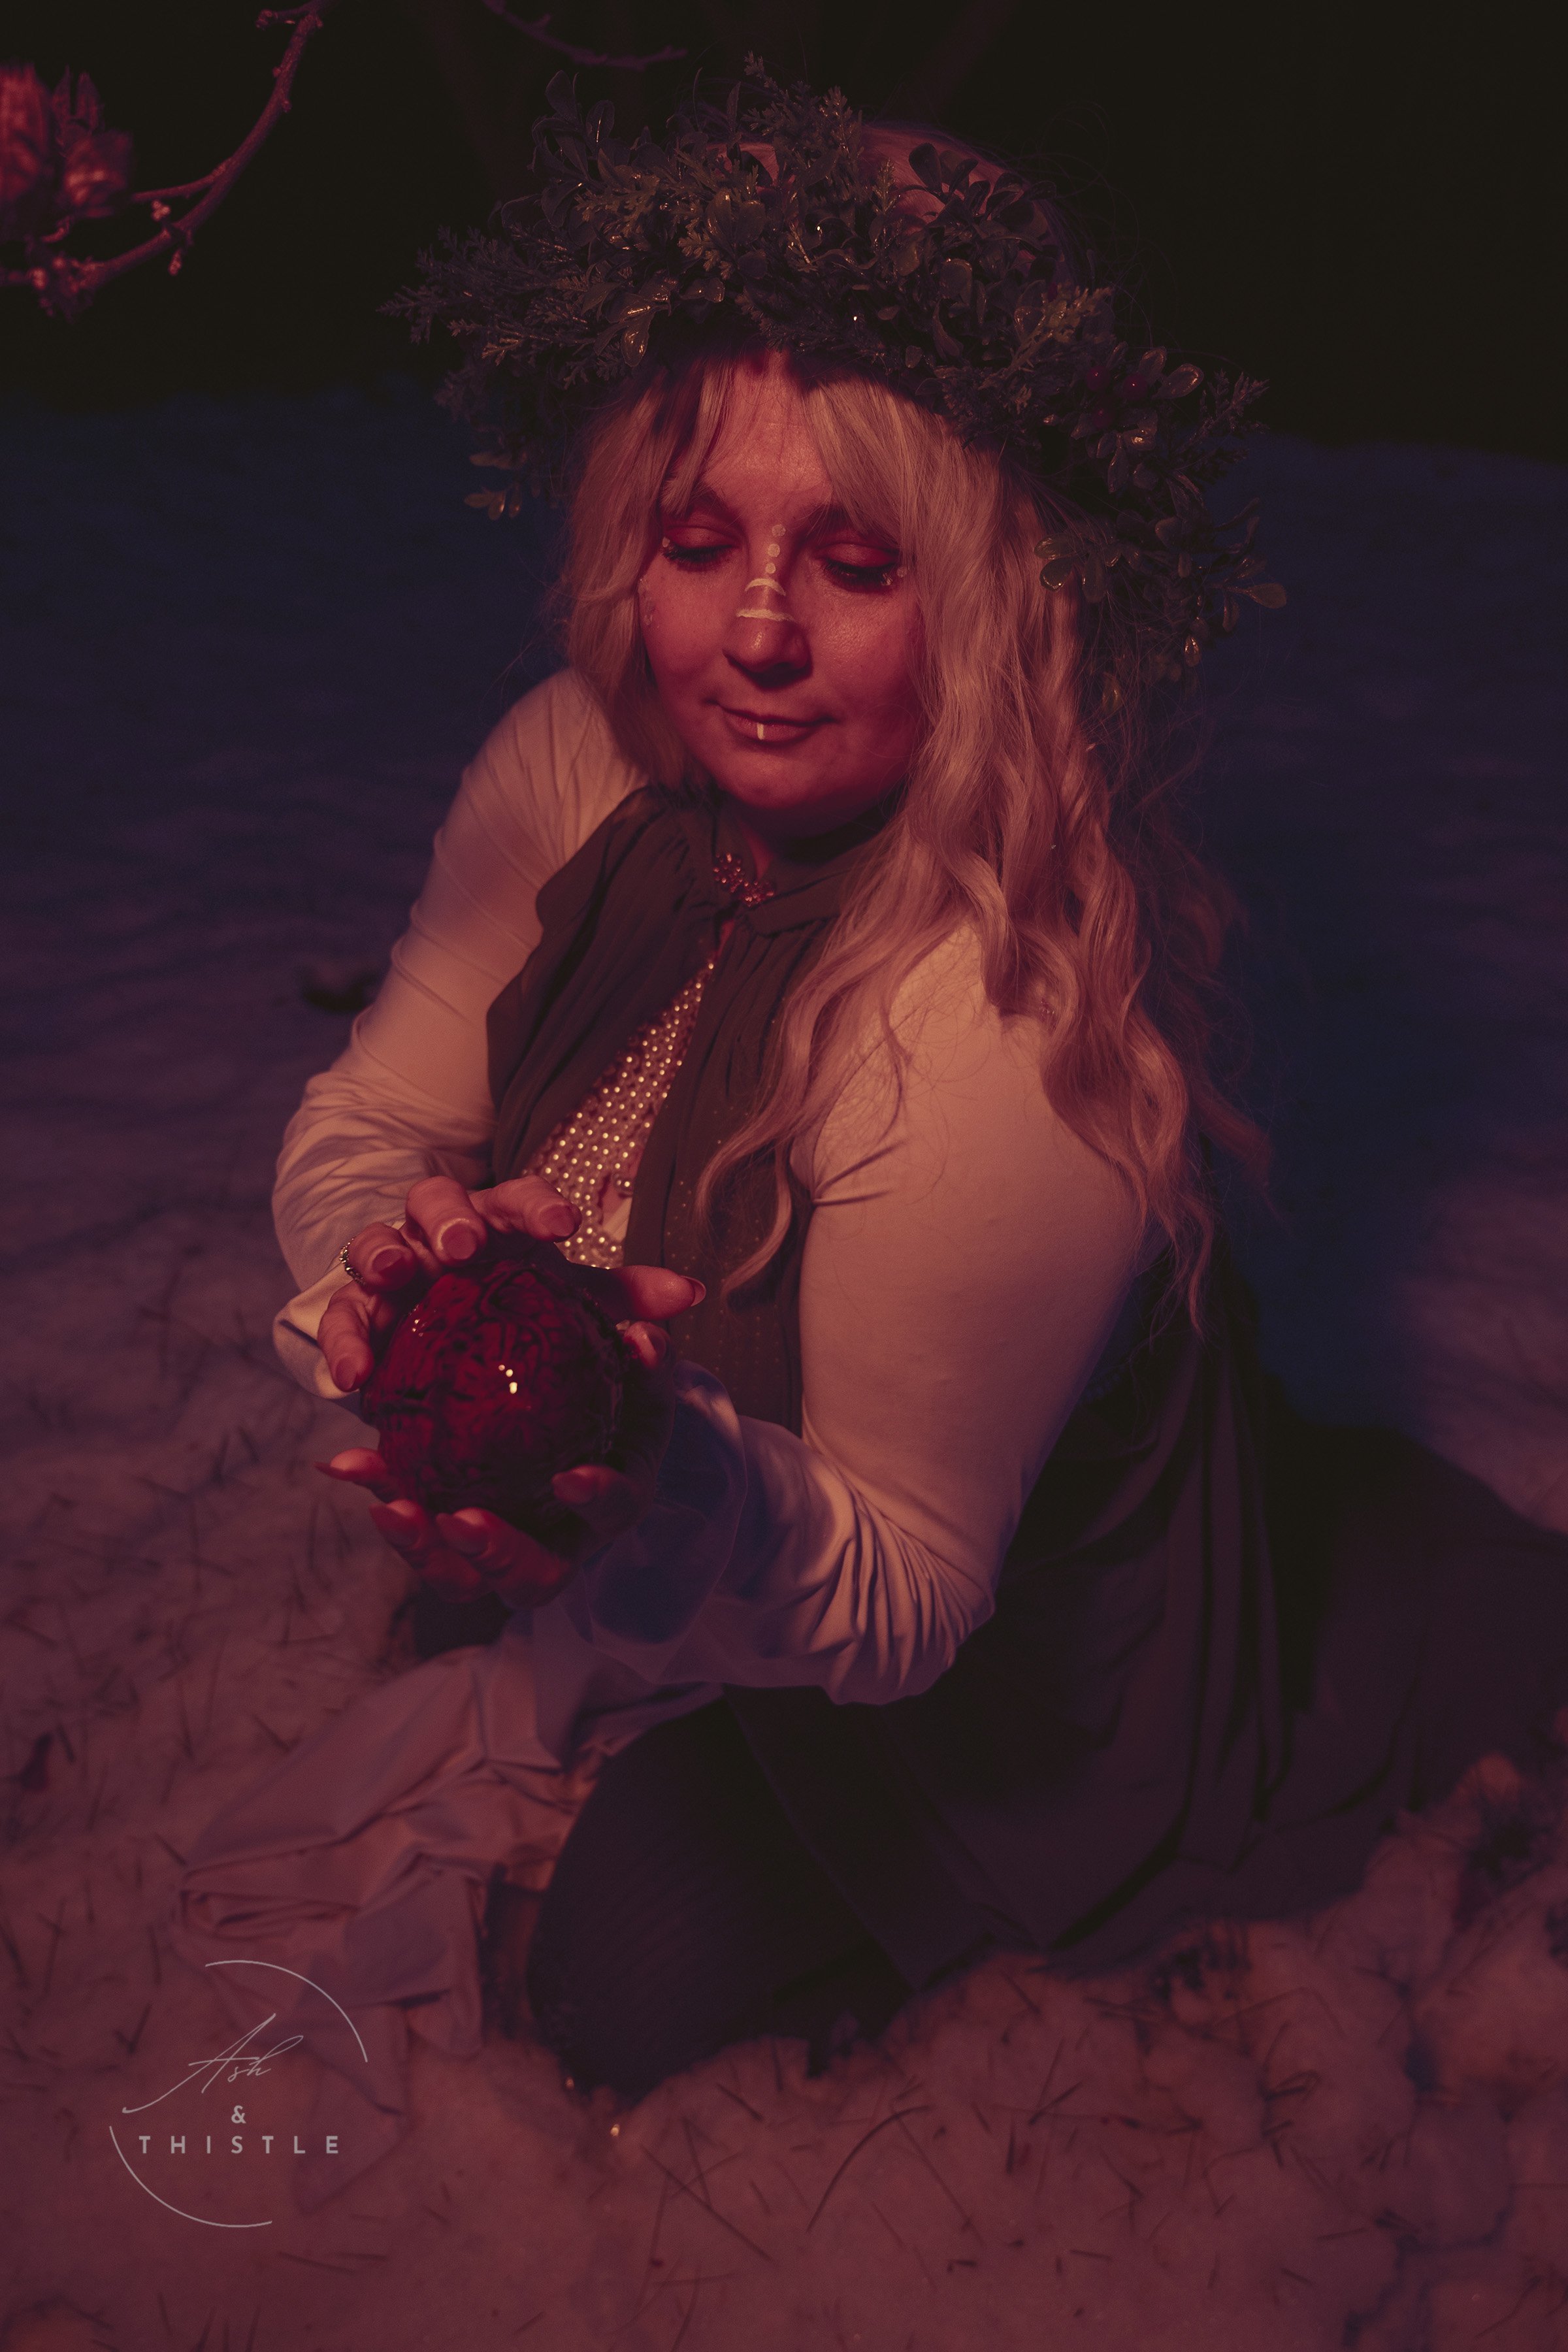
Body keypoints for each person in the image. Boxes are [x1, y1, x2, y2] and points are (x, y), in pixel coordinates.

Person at [172, 73, 1568, 2188]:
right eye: (700, 541)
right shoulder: (573, 761)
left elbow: (910, 1589)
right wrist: (394, 1314)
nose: (751, 630)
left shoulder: (996, 1011)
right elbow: (375, 1106)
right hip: (713, 1484)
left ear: (999, 592)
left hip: (961, 1644)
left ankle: (1331, 1587)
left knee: (615, 1982)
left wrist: (639, 1474)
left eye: (853, 562)